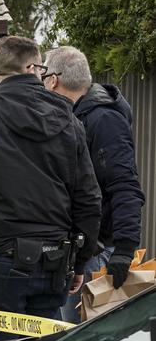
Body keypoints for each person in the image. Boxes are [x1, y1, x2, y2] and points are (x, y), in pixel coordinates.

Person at [0, 36, 102, 341]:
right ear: (32, 68)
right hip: (55, 260)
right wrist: (81, 261)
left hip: (1, 260)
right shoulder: (68, 119)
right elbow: (89, 198)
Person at [44, 46, 145, 323]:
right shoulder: (76, 115)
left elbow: (124, 183)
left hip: (97, 252)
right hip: (79, 250)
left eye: (43, 75)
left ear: (54, 80)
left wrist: (125, 249)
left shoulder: (103, 120)